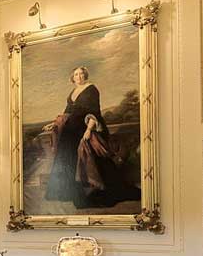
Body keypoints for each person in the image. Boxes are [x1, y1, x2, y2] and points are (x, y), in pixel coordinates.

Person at [42, 66, 139, 209]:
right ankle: (68, 192)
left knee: (91, 160)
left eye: (81, 74)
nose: (79, 76)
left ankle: (90, 193)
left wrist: (88, 130)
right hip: (70, 131)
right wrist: (53, 123)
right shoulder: (73, 92)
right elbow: (68, 112)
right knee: (68, 159)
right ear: (73, 78)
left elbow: (94, 111)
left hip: (84, 128)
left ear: (85, 75)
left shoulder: (91, 89)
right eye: (76, 74)